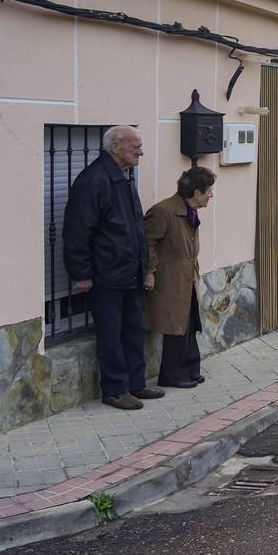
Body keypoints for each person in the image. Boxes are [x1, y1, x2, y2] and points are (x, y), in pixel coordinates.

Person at [63, 125, 165, 411]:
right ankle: (115, 390)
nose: (141, 151)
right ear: (115, 147)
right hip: (106, 274)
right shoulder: (93, 180)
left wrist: (145, 267)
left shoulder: (122, 177)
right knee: (111, 334)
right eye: (136, 146)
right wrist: (81, 274)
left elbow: (134, 229)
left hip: (128, 271)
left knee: (132, 330)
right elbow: (77, 231)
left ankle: (136, 383)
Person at [143, 166, 216, 390]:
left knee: (190, 321)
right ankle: (172, 375)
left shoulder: (190, 211)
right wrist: (151, 271)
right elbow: (146, 243)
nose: (211, 195)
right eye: (209, 191)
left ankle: (190, 368)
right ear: (196, 193)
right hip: (170, 279)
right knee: (176, 326)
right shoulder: (164, 211)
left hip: (186, 277)